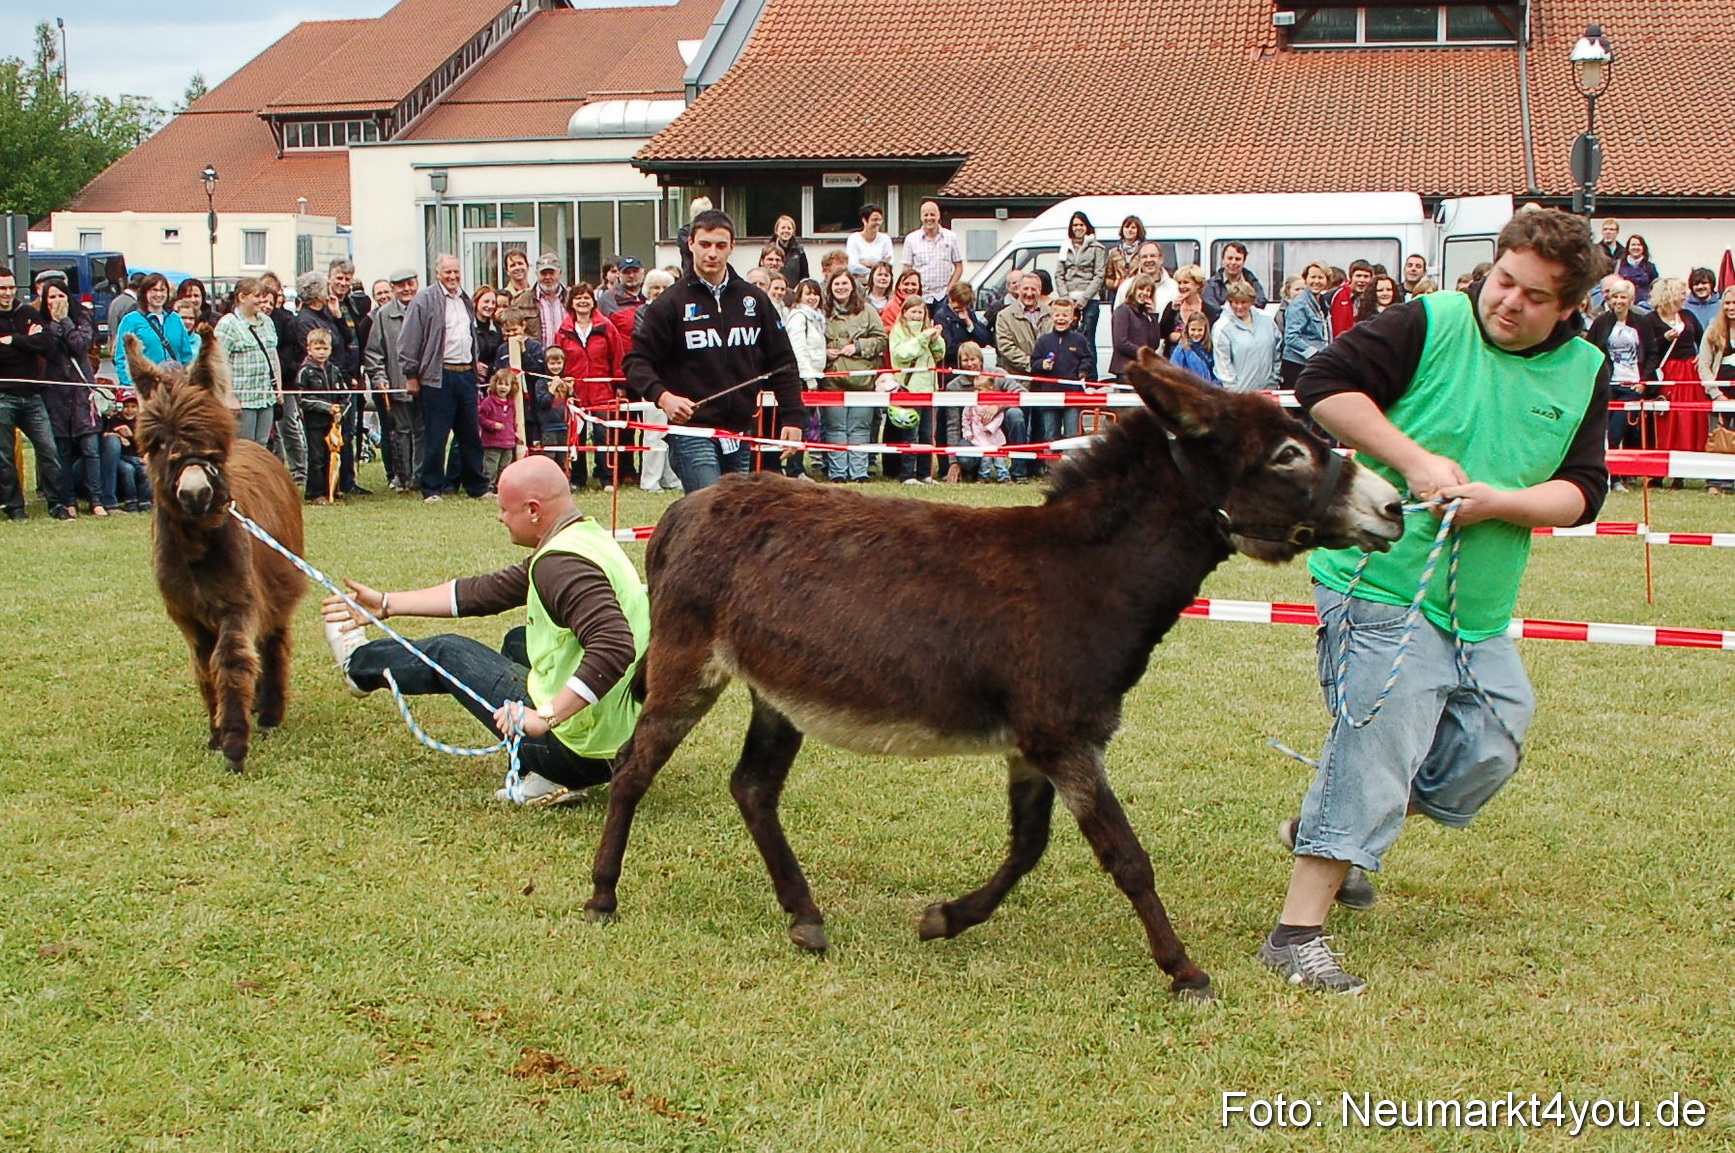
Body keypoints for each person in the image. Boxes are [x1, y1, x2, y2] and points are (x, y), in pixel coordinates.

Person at [1262, 208, 1611, 994]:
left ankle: (1330, 826)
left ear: (1565, 309)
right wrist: (1415, 461)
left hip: (1478, 608)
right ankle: (1295, 935)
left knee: (1491, 743)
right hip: (1381, 583)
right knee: (1378, 743)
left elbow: (1583, 491)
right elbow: (1320, 387)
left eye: (1532, 296)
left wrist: (1501, 503)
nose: (1507, 302)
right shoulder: (1430, 320)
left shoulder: (1584, 369)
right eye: (1502, 280)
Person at [320, 454, 649, 807]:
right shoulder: (584, 538)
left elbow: (614, 647)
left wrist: (545, 717)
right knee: (517, 641)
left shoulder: (561, 565)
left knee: (449, 652)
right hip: (626, 745)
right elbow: (484, 593)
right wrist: (387, 603)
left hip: (582, 750)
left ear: (534, 510)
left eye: (506, 509)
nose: (500, 517)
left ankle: (358, 666)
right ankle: (544, 778)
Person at [622, 208, 805, 493]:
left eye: (720, 245)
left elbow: (783, 362)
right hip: (692, 431)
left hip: (740, 430)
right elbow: (636, 362)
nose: (712, 253)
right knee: (710, 510)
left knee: (732, 518)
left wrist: (793, 417)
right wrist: (664, 397)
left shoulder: (754, 299)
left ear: (732, 247)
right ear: (691, 244)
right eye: (705, 244)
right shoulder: (670, 303)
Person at [397, 253, 490, 502]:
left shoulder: (465, 299)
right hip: (438, 377)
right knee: (436, 436)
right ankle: (432, 488)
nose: (452, 276)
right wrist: (411, 374)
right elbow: (409, 340)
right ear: (437, 273)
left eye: (456, 272)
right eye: (447, 272)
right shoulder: (424, 300)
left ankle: (477, 486)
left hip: (465, 375)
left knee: (470, 434)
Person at [36, 276, 103, 516]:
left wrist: (64, 321)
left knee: (90, 448)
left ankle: (97, 500)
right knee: (61, 449)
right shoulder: (40, 322)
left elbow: (79, 345)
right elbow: (48, 348)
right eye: (51, 297)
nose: (56, 301)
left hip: (81, 391)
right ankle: (68, 500)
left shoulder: (82, 318)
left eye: (61, 295)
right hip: (56, 393)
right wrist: (53, 325)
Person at [554, 282, 627, 491]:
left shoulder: (606, 327)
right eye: (578, 298)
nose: (583, 301)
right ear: (571, 303)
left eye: (586, 297)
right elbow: (556, 359)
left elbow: (617, 357)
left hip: (602, 391)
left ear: (593, 301)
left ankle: (606, 478)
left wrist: (620, 384)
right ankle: (578, 478)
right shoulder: (563, 330)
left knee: (604, 435)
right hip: (574, 393)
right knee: (576, 435)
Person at [819, 267, 886, 482]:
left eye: (844, 283)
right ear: (830, 287)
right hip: (833, 381)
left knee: (860, 428)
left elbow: (881, 339)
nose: (840, 287)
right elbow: (809, 340)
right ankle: (837, 472)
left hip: (862, 381)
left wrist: (858, 346)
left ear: (852, 286)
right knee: (835, 428)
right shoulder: (821, 312)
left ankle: (859, 473)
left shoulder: (867, 310)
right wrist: (823, 351)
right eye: (836, 283)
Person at [364, 269, 422, 494]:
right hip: (398, 386)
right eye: (401, 285)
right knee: (402, 433)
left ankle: (421, 477)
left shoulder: (426, 308)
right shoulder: (383, 315)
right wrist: (380, 378)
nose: (407, 289)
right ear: (394, 288)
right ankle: (404, 478)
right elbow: (373, 353)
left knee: (424, 432)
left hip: (427, 386)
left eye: (410, 283)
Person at [1638, 277, 1705, 467]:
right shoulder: (1650, 319)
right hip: (1667, 373)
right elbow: (1646, 348)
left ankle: (1690, 460)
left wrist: (1702, 356)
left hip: (1689, 371)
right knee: (1666, 417)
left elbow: (1703, 339)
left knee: (1690, 417)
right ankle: (1664, 459)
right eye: (1682, 293)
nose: (1685, 297)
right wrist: (1664, 338)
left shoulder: (1688, 316)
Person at [1586, 277, 1644, 472]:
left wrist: (1645, 380)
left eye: (1623, 297)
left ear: (1631, 300)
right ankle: (1611, 474)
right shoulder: (1601, 323)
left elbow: (1652, 351)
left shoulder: (1641, 321)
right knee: (1603, 431)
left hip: (1632, 385)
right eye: (1615, 297)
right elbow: (1592, 351)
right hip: (1609, 384)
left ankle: (1618, 472)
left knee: (1618, 430)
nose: (1618, 301)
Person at [887, 294, 946, 483]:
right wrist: (922, 338)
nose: (917, 316)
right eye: (913, 311)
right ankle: (907, 474)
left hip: (928, 389)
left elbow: (939, 354)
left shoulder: (927, 329)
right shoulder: (897, 331)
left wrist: (936, 339)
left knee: (926, 434)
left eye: (920, 312)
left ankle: (925, 473)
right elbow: (902, 353)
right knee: (910, 433)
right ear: (904, 313)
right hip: (909, 388)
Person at [215, 277, 281, 447]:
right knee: (244, 446)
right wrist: (229, 396)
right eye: (257, 296)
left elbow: (273, 356)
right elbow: (219, 363)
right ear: (242, 297)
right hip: (242, 400)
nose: (261, 301)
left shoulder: (267, 322)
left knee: (262, 445)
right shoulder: (228, 324)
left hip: (265, 396)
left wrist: (278, 388)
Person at [1030, 295, 1096, 442]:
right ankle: (1051, 464)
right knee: (1050, 435)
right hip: (1049, 396)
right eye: (1057, 315)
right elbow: (1033, 362)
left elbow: (1089, 358)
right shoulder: (1043, 341)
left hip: (1072, 396)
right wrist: (1042, 365)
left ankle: (1072, 464)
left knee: (1073, 436)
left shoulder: (1079, 340)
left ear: (1072, 317)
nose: (1061, 318)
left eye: (1065, 315)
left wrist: (1083, 371)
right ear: (1051, 317)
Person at [297, 328, 350, 505]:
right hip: (315, 423)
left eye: (325, 348)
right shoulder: (306, 372)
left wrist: (340, 410)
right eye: (317, 348)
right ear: (309, 349)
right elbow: (303, 399)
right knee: (317, 458)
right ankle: (315, 493)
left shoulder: (334, 370)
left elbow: (345, 396)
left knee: (333, 457)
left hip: (333, 424)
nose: (321, 352)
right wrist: (327, 408)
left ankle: (333, 489)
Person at [113, 274, 192, 390]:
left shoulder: (175, 319)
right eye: (154, 290)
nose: (159, 294)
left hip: (175, 388)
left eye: (162, 290)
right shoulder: (131, 320)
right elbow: (121, 358)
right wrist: (130, 386)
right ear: (145, 292)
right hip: (146, 388)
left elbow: (186, 356)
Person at [1697, 287, 1735, 495]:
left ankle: (1730, 481)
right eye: (1727, 303)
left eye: (1734, 303)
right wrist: (1716, 393)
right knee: (1716, 437)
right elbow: (1704, 365)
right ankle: (1714, 481)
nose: (1731, 307)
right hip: (1718, 393)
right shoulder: (1713, 329)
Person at [1212, 282, 1281, 392]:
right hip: (1240, 395)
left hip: (1268, 391)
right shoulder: (1222, 327)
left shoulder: (1266, 319)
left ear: (1251, 302)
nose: (1239, 307)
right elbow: (1223, 364)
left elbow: (1277, 351)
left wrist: (1274, 379)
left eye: (1243, 302)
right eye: (1235, 302)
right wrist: (1233, 389)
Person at [1056, 211, 1108, 347]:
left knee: (1088, 343)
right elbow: (1059, 275)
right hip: (1068, 300)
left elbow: (1099, 275)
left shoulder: (1097, 248)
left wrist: (1084, 299)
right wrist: (1065, 298)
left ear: (1087, 227)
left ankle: (1090, 369)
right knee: (1067, 342)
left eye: (1081, 224)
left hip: (1090, 300)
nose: (1078, 228)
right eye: (1075, 225)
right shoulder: (1065, 247)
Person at [901, 199, 964, 305]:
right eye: (926, 215)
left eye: (932, 215)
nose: (929, 218)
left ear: (938, 216)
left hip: (943, 296)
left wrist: (949, 290)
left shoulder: (951, 237)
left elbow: (959, 266)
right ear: (921, 217)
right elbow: (906, 269)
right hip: (920, 296)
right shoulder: (911, 239)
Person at [1281, 262, 1332, 389]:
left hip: (1315, 364)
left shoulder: (1322, 302)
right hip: (1297, 366)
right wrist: (1315, 355)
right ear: (1306, 279)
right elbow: (1291, 337)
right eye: (1313, 277)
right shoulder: (1299, 304)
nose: (1316, 281)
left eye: (1320, 277)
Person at [103, 391, 151, 511]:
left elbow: (144, 445)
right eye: (126, 406)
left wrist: (131, 436)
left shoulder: (140, 423)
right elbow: (105, 436)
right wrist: (119, 437)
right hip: (121, 457)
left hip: (136, 456)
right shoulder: (113, 420)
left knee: (145, 470)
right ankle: (131, 502)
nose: (129, 410)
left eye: (133, 406)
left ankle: (145, 501)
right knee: (127, 470)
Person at [1157, 264, 1217, 357]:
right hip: (1174, 363)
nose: (1181, 286)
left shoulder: (1209, 310)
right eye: (1179, 283)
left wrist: (1181, 336)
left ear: (1198, 285)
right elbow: (1161, 333)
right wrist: (1173, 310)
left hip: (1199, 361)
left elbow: (1211, 339)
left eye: (1185, 282)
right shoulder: (1172, 306)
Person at [1109, 273, 1162, 379]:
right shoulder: (1123, 311)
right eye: (1141, 289)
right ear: (1134, 289)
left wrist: (1153, 316)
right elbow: (1121, 342)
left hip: (1143, 369)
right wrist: (1143, 354)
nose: (1145, 293)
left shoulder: (1145, 314)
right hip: (1126, 370)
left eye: (1148, 290)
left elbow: (1154, 344)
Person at [478, 368, 523, 489]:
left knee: (505, 467)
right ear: (494, 384)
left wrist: (515, 435)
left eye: (506, 384)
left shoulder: (512, 404)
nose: (503, 387)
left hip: (508, 444)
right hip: (492, 443)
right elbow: (481, 418)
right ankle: (488, 487)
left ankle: (501, 487)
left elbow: (512, 422)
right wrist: (492, 425)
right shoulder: (488, 402)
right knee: (491, 467)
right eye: (500, 384)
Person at [1202, 242, 1269, 310]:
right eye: (1230, 258)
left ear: (1244, 261)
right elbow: (1212, 309)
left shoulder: (1252, 282)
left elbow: (1261, 301)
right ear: (1223, 260)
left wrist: (1244, 313)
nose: (1233, 262)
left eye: (1238, 259)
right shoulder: (1211, 285)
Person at [1102, 215, 1147, 305]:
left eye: (1133, 227)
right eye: (1126, 227)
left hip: (1138, 295)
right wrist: (1116, 283)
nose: (1129, 230)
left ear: (1139, 230)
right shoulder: (1113, 252)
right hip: (1117, 294)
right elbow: (1107, 278)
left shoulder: (1144, 250)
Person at [1329, 260, 1375, 338]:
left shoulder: (1372, 298)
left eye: (1366, 276)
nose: (1362, 280)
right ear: (1350, 277)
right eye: (1358, 276)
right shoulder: (1336, 295)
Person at [847, 203, 894, 278]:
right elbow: (852, 267)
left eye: (880, 220)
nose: (878, 223)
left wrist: (869, 263)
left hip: (880, 281)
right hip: (859, 282)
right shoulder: (854, 238)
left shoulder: (886, 239)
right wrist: (878, 267)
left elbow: (890, 264)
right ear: (864, 220)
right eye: (874, 220)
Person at [1170, 312, 1215, 382]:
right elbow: (1174, 372)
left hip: (1208, 389)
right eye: (1193, 329)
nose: (1196, 333)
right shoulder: (1182, 349)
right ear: (1187, 329)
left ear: (1205, 330)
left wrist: (1214, 386)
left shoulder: (1209, 348)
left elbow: (1216, 372)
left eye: (1200, 330)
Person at [1616, 235, 1659, 308]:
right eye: (1633, 245)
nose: (1636, 247)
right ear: (1628, 247)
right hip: (1623, 304)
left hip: (1644, 306)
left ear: (1643, 248)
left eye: (1639, 245)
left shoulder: (1650, 267)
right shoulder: (1618, 265)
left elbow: (1656, 287)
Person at [769, 214, 809, 285]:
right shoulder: (768, 250)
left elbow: (805, 277)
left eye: (789, 228)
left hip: (794, 293)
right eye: (783, 228)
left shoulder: (799, 251)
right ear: (776, 231)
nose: (786, 231)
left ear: (793, 232)